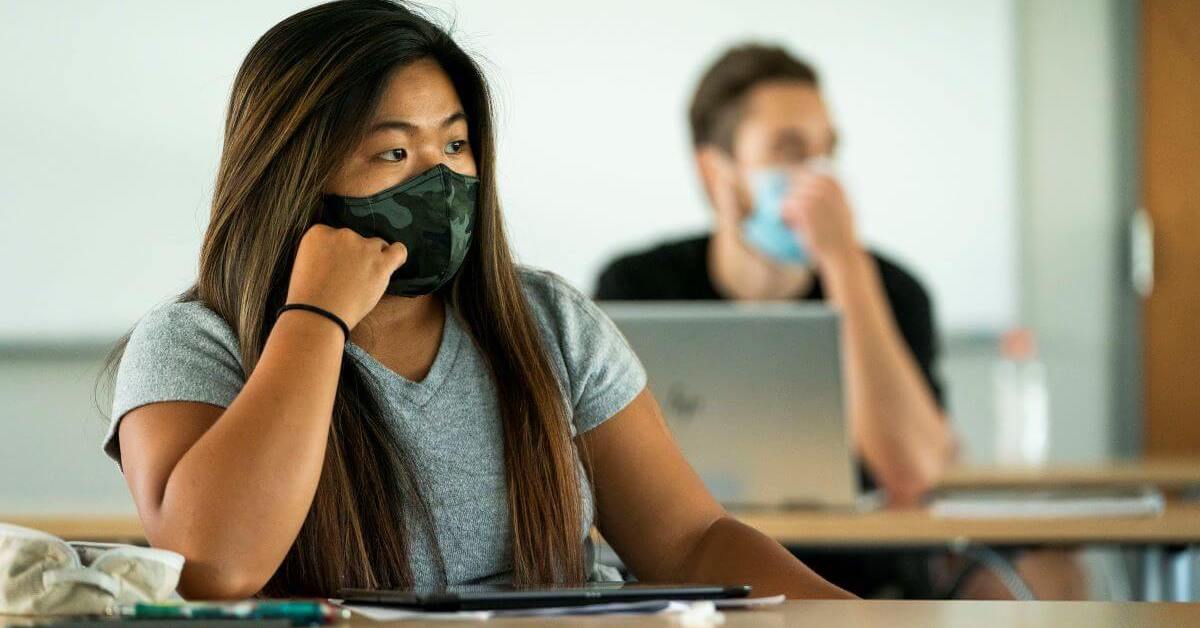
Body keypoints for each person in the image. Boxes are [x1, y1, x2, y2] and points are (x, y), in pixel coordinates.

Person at [99, 1, 853, 601]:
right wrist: (316, 319)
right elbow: (213, 568)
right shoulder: (191, 343)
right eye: (394, 152)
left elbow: (690, 542)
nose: (440, 179)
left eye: (455, 146)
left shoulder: (548, 320)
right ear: (292, 174)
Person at [596, 44, 1085, 600]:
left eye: (827, 150)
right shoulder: (634, 285)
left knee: (1054, 574)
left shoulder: (894, 289)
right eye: (789, 150)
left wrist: (843, 262)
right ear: (716, 174)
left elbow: (912, 473)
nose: (819, 175)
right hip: (690, 579)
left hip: (866, 577)